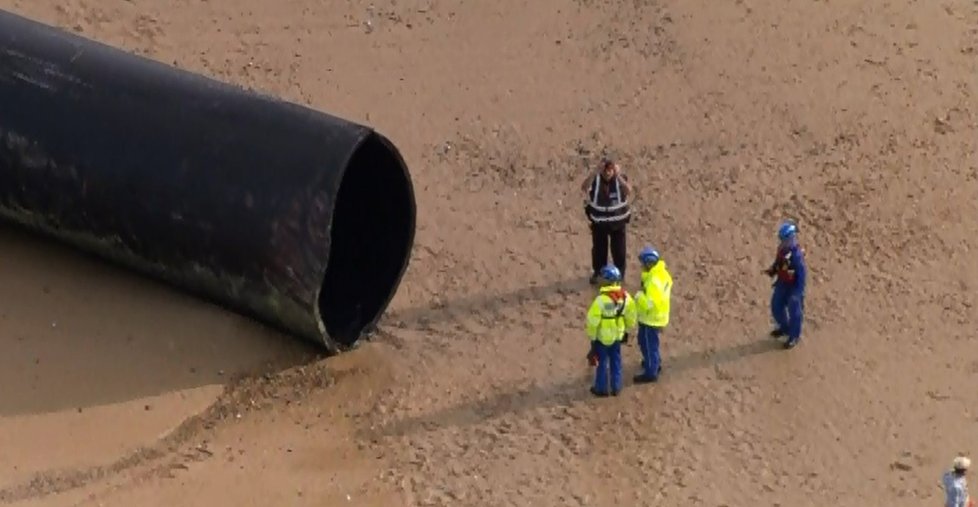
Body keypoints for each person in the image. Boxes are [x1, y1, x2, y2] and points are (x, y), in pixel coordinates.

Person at [585, 264, 637, 397]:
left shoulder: (601, 300)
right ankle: (616, 386)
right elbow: (631, 315)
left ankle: (601, 388)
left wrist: (592, 337)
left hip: (602, 338)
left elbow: (592, 321)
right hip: (617, 336)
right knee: (616, 361)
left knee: (602, 363)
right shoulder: (625, 297)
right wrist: (627, 329)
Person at [581, 158, 633, 285]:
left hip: (618, 224)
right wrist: (594, 172)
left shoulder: (620, 179)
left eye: (610, 170)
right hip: (599, 224)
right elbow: (584, 187)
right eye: (605, 170)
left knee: (619, 251)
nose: (608, 173)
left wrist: (618, 175)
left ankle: (619, 275)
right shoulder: (596, 180)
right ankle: (598, 272)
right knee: (599, 250)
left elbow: (628, 191)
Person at [763, 219, 807, 349]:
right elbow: (779, 263)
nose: (782, 242)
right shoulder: (782, 251)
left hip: (794, 286)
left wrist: (797, 293)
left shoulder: (796, 256)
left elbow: (801, 275)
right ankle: (784, 327)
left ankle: (794, 336)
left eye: (785, 239)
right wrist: (773, 270)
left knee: (795, 311)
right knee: (776, 305)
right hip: (783, 283)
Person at [633, 246, 672, 383]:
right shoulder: (662, 274)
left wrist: (638, 297)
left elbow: (650, 303)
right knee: (649, 342)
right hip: (658, 316)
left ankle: (651, 371)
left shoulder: (654, 282)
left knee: (648, 344)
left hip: (651, 318)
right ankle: (654, 362)